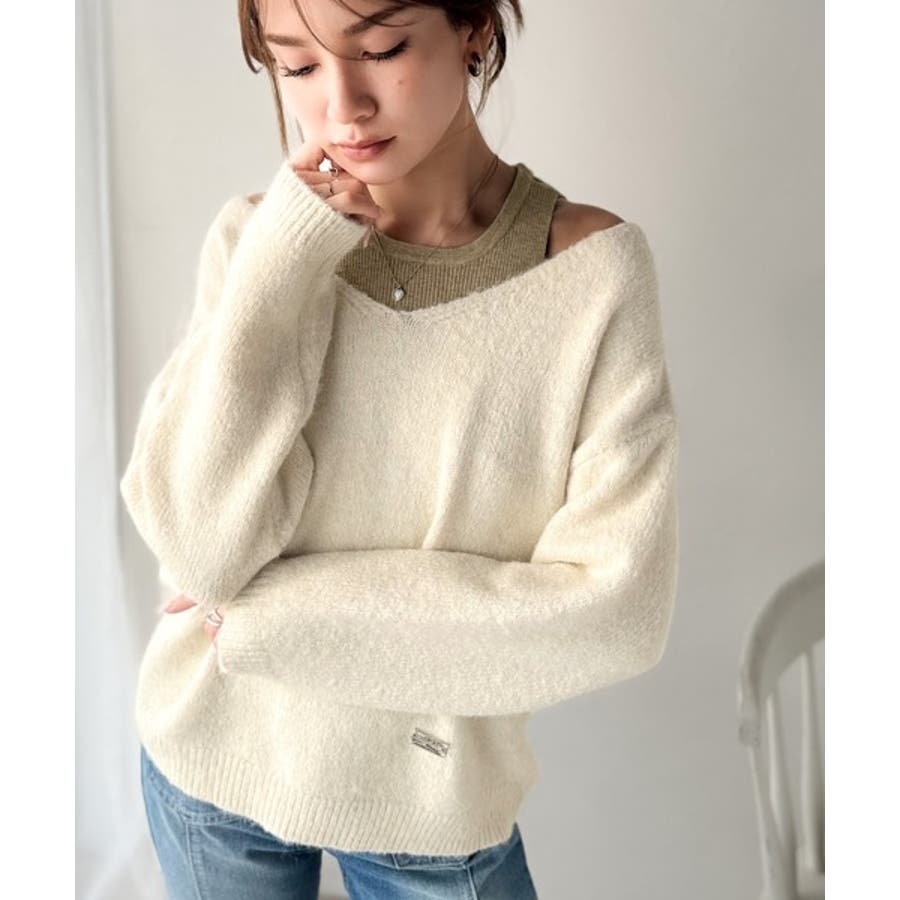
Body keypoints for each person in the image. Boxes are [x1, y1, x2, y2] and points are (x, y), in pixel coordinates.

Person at [120, 0, 681, 897]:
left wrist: (268, 619)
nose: (342, 106)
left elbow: (616, 613)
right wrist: (286, 262)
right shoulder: (259, 243)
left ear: (475, 28)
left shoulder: (589, 275)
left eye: (381, 48)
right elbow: (198, 549)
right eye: (297, 66)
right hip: (212, 762)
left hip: (431, 808)